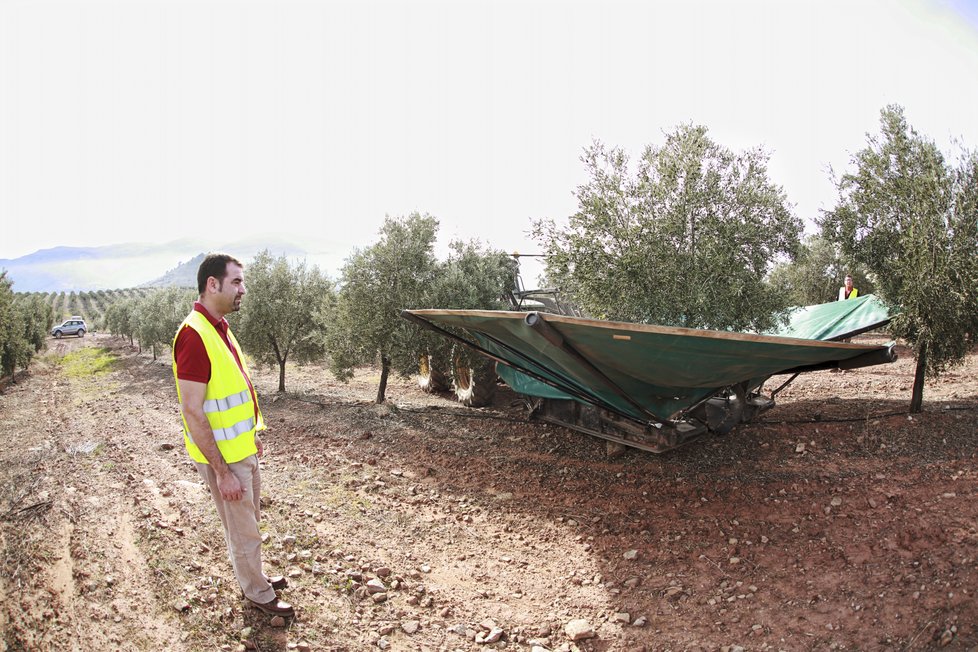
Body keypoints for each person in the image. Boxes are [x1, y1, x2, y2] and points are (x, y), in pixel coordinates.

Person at [172, 253, 294, 617]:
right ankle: (258, 594)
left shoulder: (219, 327)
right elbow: (192, 410)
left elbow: (232, 392)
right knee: (242, 529)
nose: (243, 289)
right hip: (224, 458)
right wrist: (222, 471)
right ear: (213, 285)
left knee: (249, 523)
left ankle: (254, 577)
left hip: (241, 449)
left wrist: (252, 434)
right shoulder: (194, 335)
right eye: (237, 281)